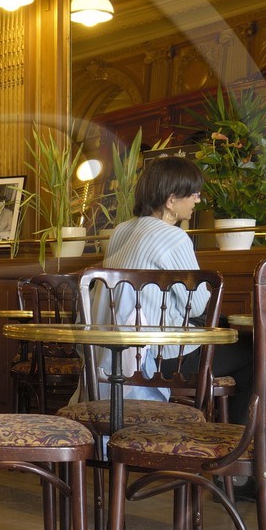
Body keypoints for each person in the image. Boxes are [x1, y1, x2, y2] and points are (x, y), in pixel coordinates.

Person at [89, 156, 214, 401]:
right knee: (249, 357)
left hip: (116, 351)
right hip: (159, 355)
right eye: (194, 194)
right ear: (171, 200)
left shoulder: (121, 231)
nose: (197, 200)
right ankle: (236, 438)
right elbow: (197, 305)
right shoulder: (174, 238)